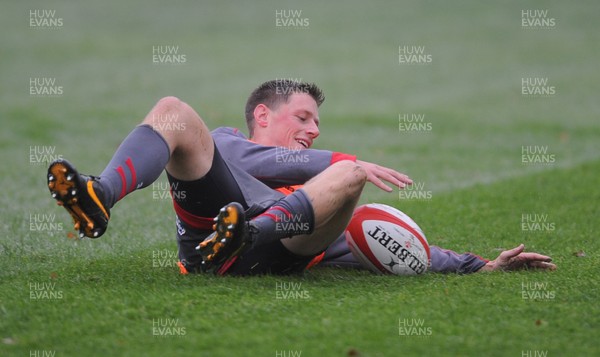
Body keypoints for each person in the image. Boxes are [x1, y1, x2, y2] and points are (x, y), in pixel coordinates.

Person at [47, 80, 556, 276]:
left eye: (317, 122)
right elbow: (239, 157)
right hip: (205, 241)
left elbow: (389, 240)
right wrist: (343, 159)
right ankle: (99, 194)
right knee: (173, 109)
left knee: (348, 179)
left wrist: (482, 266)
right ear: (263, 116)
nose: (313, 130)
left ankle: (246, 234)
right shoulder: (227, 140)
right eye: (303, 117)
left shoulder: (329, 187)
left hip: (271, 250)